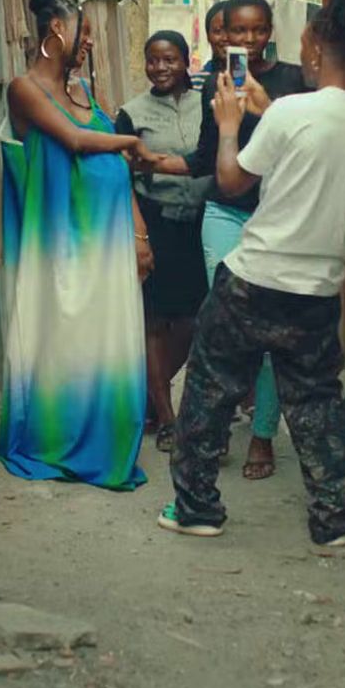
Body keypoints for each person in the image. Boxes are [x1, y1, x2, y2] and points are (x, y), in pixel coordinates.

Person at [157, 0, 345, 546]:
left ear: (314, 47)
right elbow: (318, 150)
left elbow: (234, 182)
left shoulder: (290, 112)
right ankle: (332, 521)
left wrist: (232, 123)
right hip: (318, 286)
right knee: (315, 402)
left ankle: (198, 509)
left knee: (209, 393)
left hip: (254, 279)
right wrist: (267, 110)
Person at [0, 0, 159, 490]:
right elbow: (75, 141)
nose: (87, 43)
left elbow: (111, 163)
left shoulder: (85, 93)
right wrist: (132, 140)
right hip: (60, 247)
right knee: (62, 345)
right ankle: (58, 440)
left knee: (105, 342)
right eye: (82, 32)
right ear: (56, 31)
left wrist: (138, 229)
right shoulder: (23, 89)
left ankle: (104, 439)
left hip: (106, 245)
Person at [154, 0, 305, 480]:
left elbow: (303, 143)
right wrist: (156, 162)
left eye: (256, 30)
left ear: (270, 31)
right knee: (221, 324)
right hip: (223, 211)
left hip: (278, 219)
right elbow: (206, 154)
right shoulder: (213, 85)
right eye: (235, 31)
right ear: (222, 33)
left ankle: (262, 435)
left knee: (270, 332)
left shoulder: (295, 81)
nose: (245, 40)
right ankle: (213, 431)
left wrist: (265, 107)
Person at [115, 31, 211, 451]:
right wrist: (137, 235)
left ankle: (150, 396)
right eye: (152, 60)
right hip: (155, 220)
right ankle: (168, 418)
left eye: (169, 59)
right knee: (153, 319)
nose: (160, 68)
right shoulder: (131, 113)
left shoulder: (208, 105)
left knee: (194, 319)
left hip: (202, 223)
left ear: (187, 61)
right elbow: (123, 177)